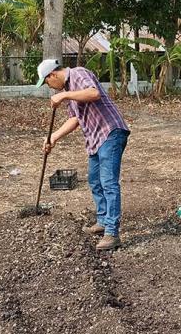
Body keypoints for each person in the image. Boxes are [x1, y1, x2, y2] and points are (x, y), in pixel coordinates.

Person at [35, 59, 130, 251]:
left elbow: (93, 93)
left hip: (110, 132)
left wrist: (63, 95)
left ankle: (112, 233)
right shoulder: (70, 90)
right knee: (95, 180)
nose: (50, 88)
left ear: (52, 75)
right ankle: (103, 221)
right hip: (96, 139)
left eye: (47, 82)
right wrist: (53, 137)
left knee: (108, 182)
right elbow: (74, 119)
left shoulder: (78, 74)